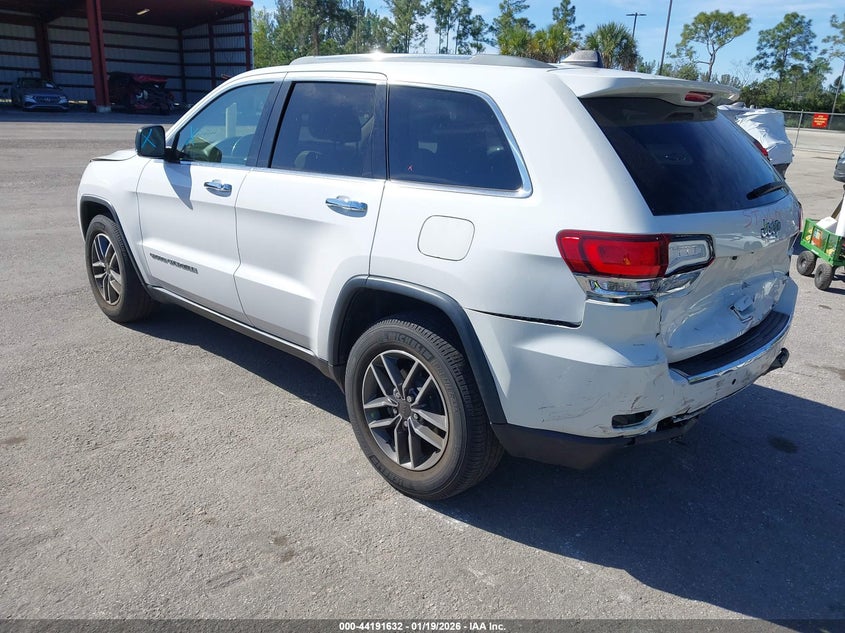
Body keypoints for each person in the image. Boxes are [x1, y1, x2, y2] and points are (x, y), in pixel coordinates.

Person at [718, 103, 794, 177]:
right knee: (777, 177)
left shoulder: (735, 118)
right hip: (785, 152)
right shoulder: (752, 115)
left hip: (770, 152)